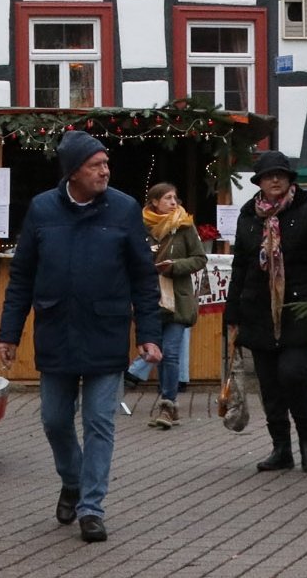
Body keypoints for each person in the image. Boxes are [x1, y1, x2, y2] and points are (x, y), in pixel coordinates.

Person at [0, 131, 161, 544]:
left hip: (106, 331)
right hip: (57, 330)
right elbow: (22, 278)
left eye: (106, 164)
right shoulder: (42, 209)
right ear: (73, 172)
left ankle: (92, 508)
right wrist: (9, 333)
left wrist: (149, 333)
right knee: (54, 420)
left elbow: (144, 277)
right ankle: (72, 480)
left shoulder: (124, 210)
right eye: (96, 165)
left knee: (99, 422)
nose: (106, 170)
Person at [223, 150, 307, 474]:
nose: (275, 179)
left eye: (281, 174)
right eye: (268, 175)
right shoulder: (249, 217)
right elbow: (240, 267)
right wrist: (232, 313)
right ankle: (281, 449)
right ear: (259, 182)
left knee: (293, 373)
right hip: (258, 312)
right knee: (270, 383)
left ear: (290, 179)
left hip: (300, 309)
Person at [137, 182, 206, 429]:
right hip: (150, 299)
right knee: (156, 353)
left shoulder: (184, 226)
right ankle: (163, 398)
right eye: (168, 198)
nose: (174, 202)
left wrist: (174, 266)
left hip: (177, 300)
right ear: (154, 202)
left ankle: (168, 404)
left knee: (172, 353)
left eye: (175, 198)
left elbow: (200, 259)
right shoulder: (140, 227)